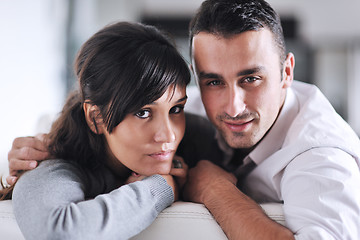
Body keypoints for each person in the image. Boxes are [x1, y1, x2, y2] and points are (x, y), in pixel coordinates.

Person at [5, 0, 360, 239]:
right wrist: (161, 189)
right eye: (213, 82)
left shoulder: (323, 160)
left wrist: (213, 189)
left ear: (286, 72)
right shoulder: (59, 165)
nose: (233, 107)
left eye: (251, 78)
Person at [1, 21, 190, 239]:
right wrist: (163, 186)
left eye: (176, 108)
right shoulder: (53, 165)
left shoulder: (198, 133)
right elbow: (59, 232)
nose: (169, 135)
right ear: (96, 117)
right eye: (143, 113)